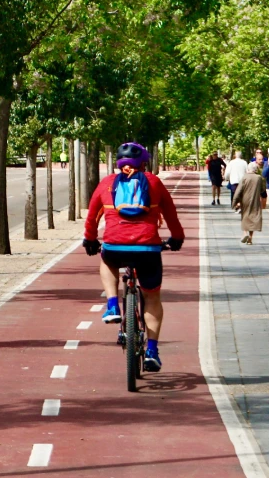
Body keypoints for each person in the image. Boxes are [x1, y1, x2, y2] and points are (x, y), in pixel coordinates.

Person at [82, 142, 185, 371]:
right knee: (152, 299)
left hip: (115, 247)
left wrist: (90, 239)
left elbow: (92, 217)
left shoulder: (107, 183)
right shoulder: (154, 182)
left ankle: (112, 305)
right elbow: (170, 214)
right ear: (144, 163)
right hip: (147, 249)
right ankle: (152, 351)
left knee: (106, 260)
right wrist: (177, 238)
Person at [232, 162, 267, 244]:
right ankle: (250, 238)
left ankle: (245, 233)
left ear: (248, 169)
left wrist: (235, 202)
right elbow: (262, 190)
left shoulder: (244, 177)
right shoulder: (259, 178)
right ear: (256, 170)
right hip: (255, 200)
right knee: (253, 218)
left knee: (245, 216)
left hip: (245, 200)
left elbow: (239, 190)